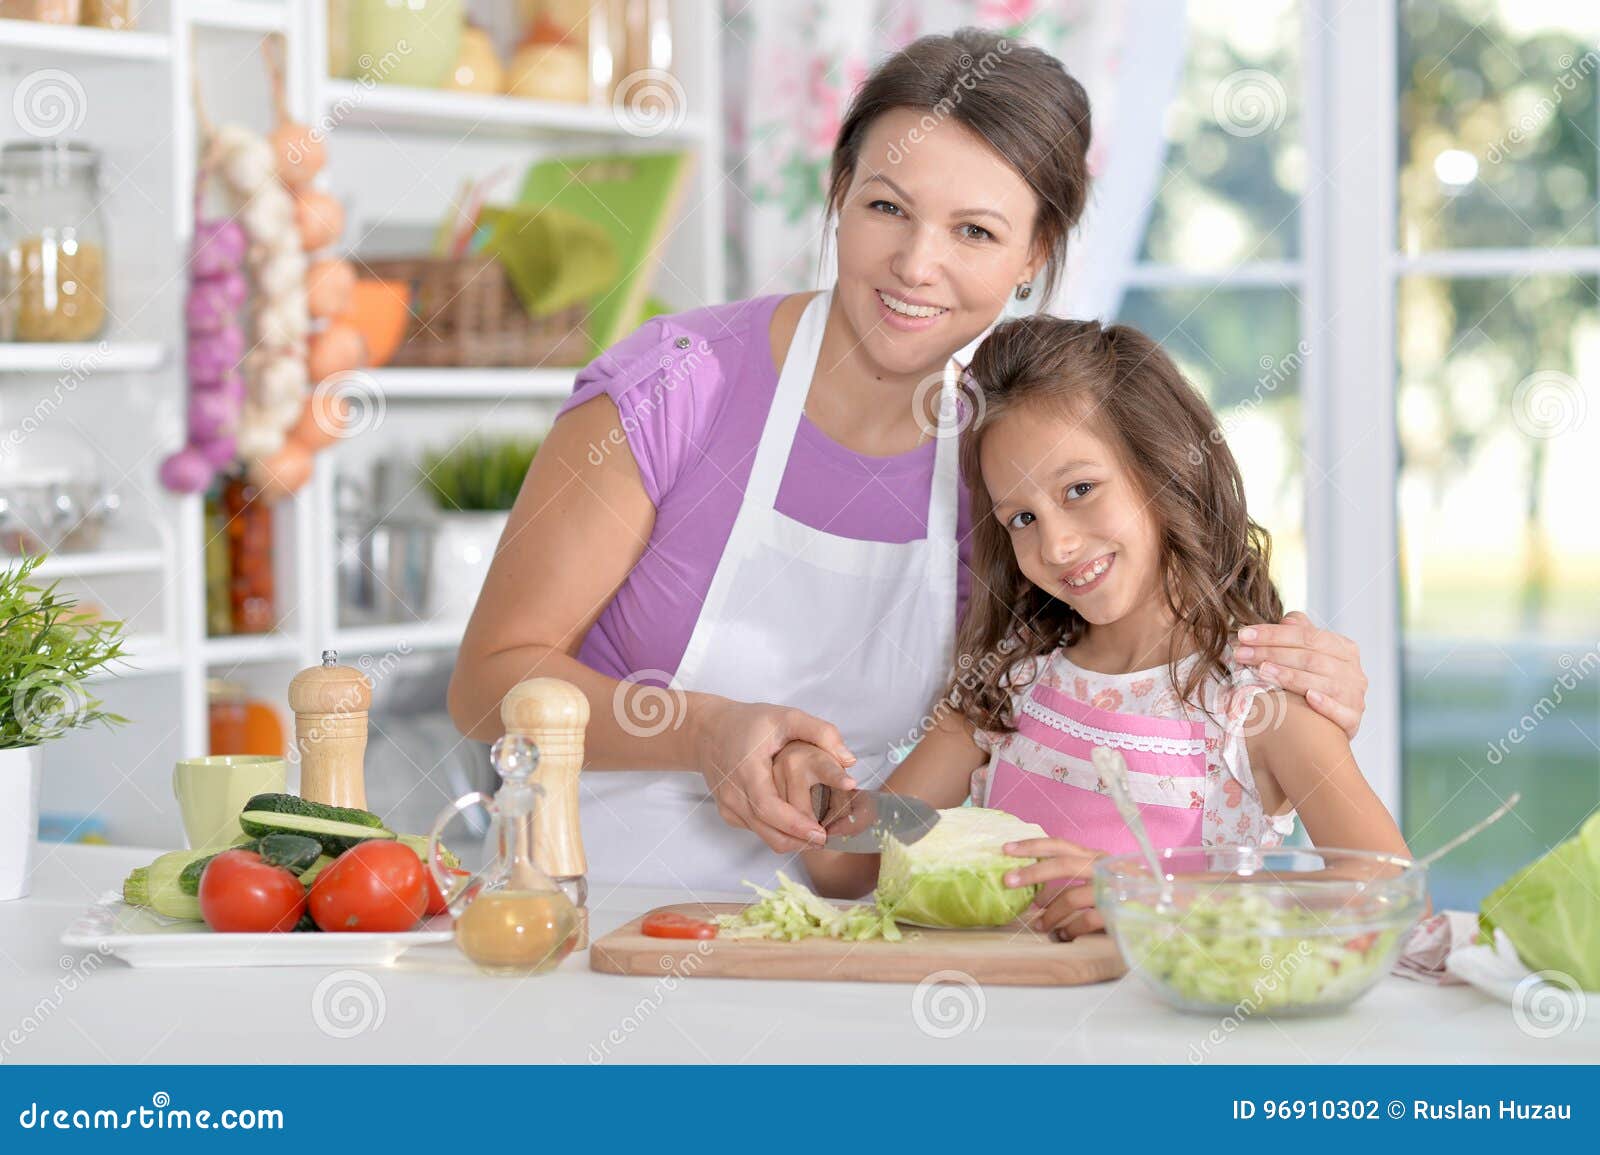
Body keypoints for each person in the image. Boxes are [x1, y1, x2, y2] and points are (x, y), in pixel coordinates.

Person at [447, 29, 1373, 892]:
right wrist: (703, 731)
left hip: (859, 948)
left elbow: (1106, 687)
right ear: (839, 194)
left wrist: (1292, 693)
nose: (916, 265)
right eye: (887, 207)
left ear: (1033, 254)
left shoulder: (1012, 470)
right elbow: (487, 688)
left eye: (975, 230)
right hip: (592, 909)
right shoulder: (678, 386)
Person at [801, 317, 1412, 933]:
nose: (1058, 545)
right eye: (1021, 519)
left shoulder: (1256, 704)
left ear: (1167, 465)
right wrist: (809, 786)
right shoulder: (1011, 680)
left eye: (1080, 489)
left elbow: (1391, 901)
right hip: (1007, 1016)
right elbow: (850, 868)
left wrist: (1155, 899)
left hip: (1168, 1027)